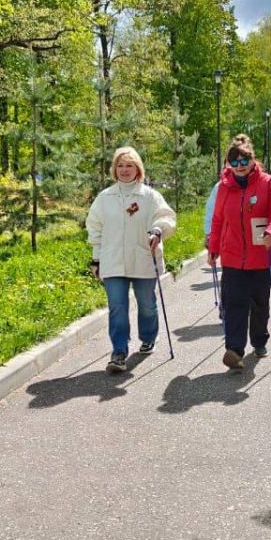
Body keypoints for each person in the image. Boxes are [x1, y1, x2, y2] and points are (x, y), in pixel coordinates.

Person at [87, 147, 177, 374]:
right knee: (117, 307)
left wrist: (158, 230)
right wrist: (96, 260)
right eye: (120, 165)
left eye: (129, 165)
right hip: (113, 260)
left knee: (146, 305)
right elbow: (95, 229)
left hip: (143, 258)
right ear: (114, 169)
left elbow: (166, 217)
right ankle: (118, 352)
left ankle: (148, 337)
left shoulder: (150, 196)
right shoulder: (104, 198)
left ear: (138, 169)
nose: (124, 170)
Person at [207, 134, 271, 369]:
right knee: (234, 303)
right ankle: (234, 349)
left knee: (259, 302)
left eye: (244, 162)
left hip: (263, 254)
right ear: (228, 164)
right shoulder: (224, 188)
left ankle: (259, 339)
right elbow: (218, 219)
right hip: (232, 256)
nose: (239, 167)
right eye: (234, 162)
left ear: (253, 161)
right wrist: (213, 247)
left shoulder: (269, 183)